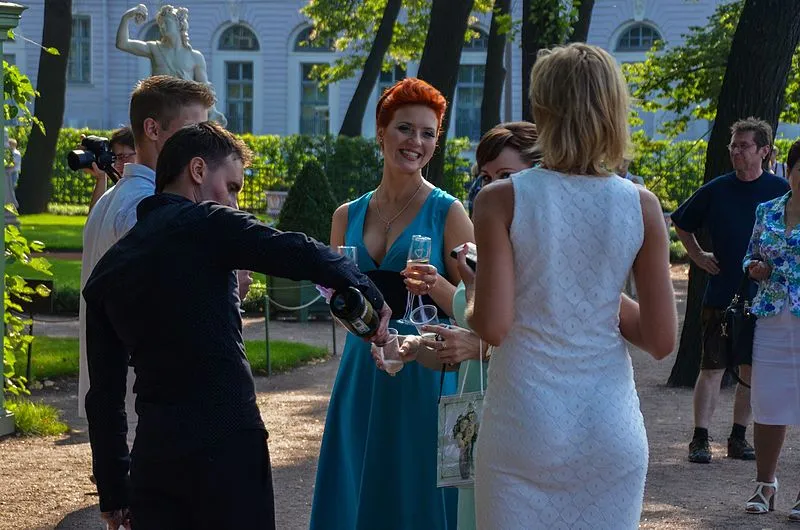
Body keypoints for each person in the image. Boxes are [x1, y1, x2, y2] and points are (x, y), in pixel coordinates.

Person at [84, 121, 390, 529]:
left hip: (156, 455)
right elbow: (295, 249)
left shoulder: (107, 273)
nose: (234, 202)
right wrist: (363, 287)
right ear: (197, 171)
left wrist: (114, 489)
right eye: (231, 187)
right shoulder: (207, 223)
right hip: (229, 443)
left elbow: (102, 398)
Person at [467, 43, 677, 528]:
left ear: (543, 111)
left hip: (525, 421)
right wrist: (592, 296)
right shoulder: (641, 206)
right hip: (609, 425)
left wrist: (474, 287)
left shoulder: (500, 200)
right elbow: (661, 341)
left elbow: (494, 326)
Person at [310, 78, 474, 530]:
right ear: (381, 132)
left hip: (423, 368)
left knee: (414, 489)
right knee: (357, 481)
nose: (416, 142)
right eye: (405, 129)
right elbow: (336, 298)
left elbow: (477, 307)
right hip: (362, 367)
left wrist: (438, 284)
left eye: (428, 133)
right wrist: (350, 312)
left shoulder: (449, 212)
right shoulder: (347, 215)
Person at [379, 121, 540, 530]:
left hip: (522, 415)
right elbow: (464, 332)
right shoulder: (493, 246)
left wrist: (479, 347)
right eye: (486, 178)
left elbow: (554, 341)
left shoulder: (546, 252)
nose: (493, 189)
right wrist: (417, 347)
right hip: (475, 413)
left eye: (507, 177)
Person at [77, 75, 214, 439]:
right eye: (193, 129)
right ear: (152, 129)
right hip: (146, 396)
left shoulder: (112, 198)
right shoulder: (143, 205)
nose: (204, 142)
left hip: (124, 392)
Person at [671, 117, 790, 464]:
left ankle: (738, 437)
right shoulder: (717, 189)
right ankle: (700, 439)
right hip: (722, 291)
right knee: (711, 368)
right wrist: (697, 255)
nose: (736, 152)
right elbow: (681, 221)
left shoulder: (781, 192)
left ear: (764, 151)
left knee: (751, 372)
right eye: (733, 146)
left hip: (765, 298)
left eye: (743, 146)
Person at [741, 139, 800, 519]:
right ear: (789, 171)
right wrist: (753, 268)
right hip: (771, 320)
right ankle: (766, 484)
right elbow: (750, 254)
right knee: (767, 404)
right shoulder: (767, 210)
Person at [116, 3, 226, 125]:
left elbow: (204, 89)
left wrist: (213, 112)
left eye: (166, 23)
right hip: (160, 111)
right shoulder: (154, 48)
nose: (162, 27)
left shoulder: (195, 57)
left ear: (179, 25)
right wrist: (126, 17)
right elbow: (122, 44)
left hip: (184, 114)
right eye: (160, 24)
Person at [84, 126, 137, 211]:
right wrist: (101, 178)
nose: (116, 164)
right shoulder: (120, 188)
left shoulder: (145, 189)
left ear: (139, 152)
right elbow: (95, 219)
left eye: (122, 157)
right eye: (113, 158)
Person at [5, 137, 21, 209]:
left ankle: (15, 205)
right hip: (9, 173)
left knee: (11, 189)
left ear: (13, 145)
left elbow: (13, 164)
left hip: (13, 173)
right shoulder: (10, 153)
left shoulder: (16, 153)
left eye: (9, 144)